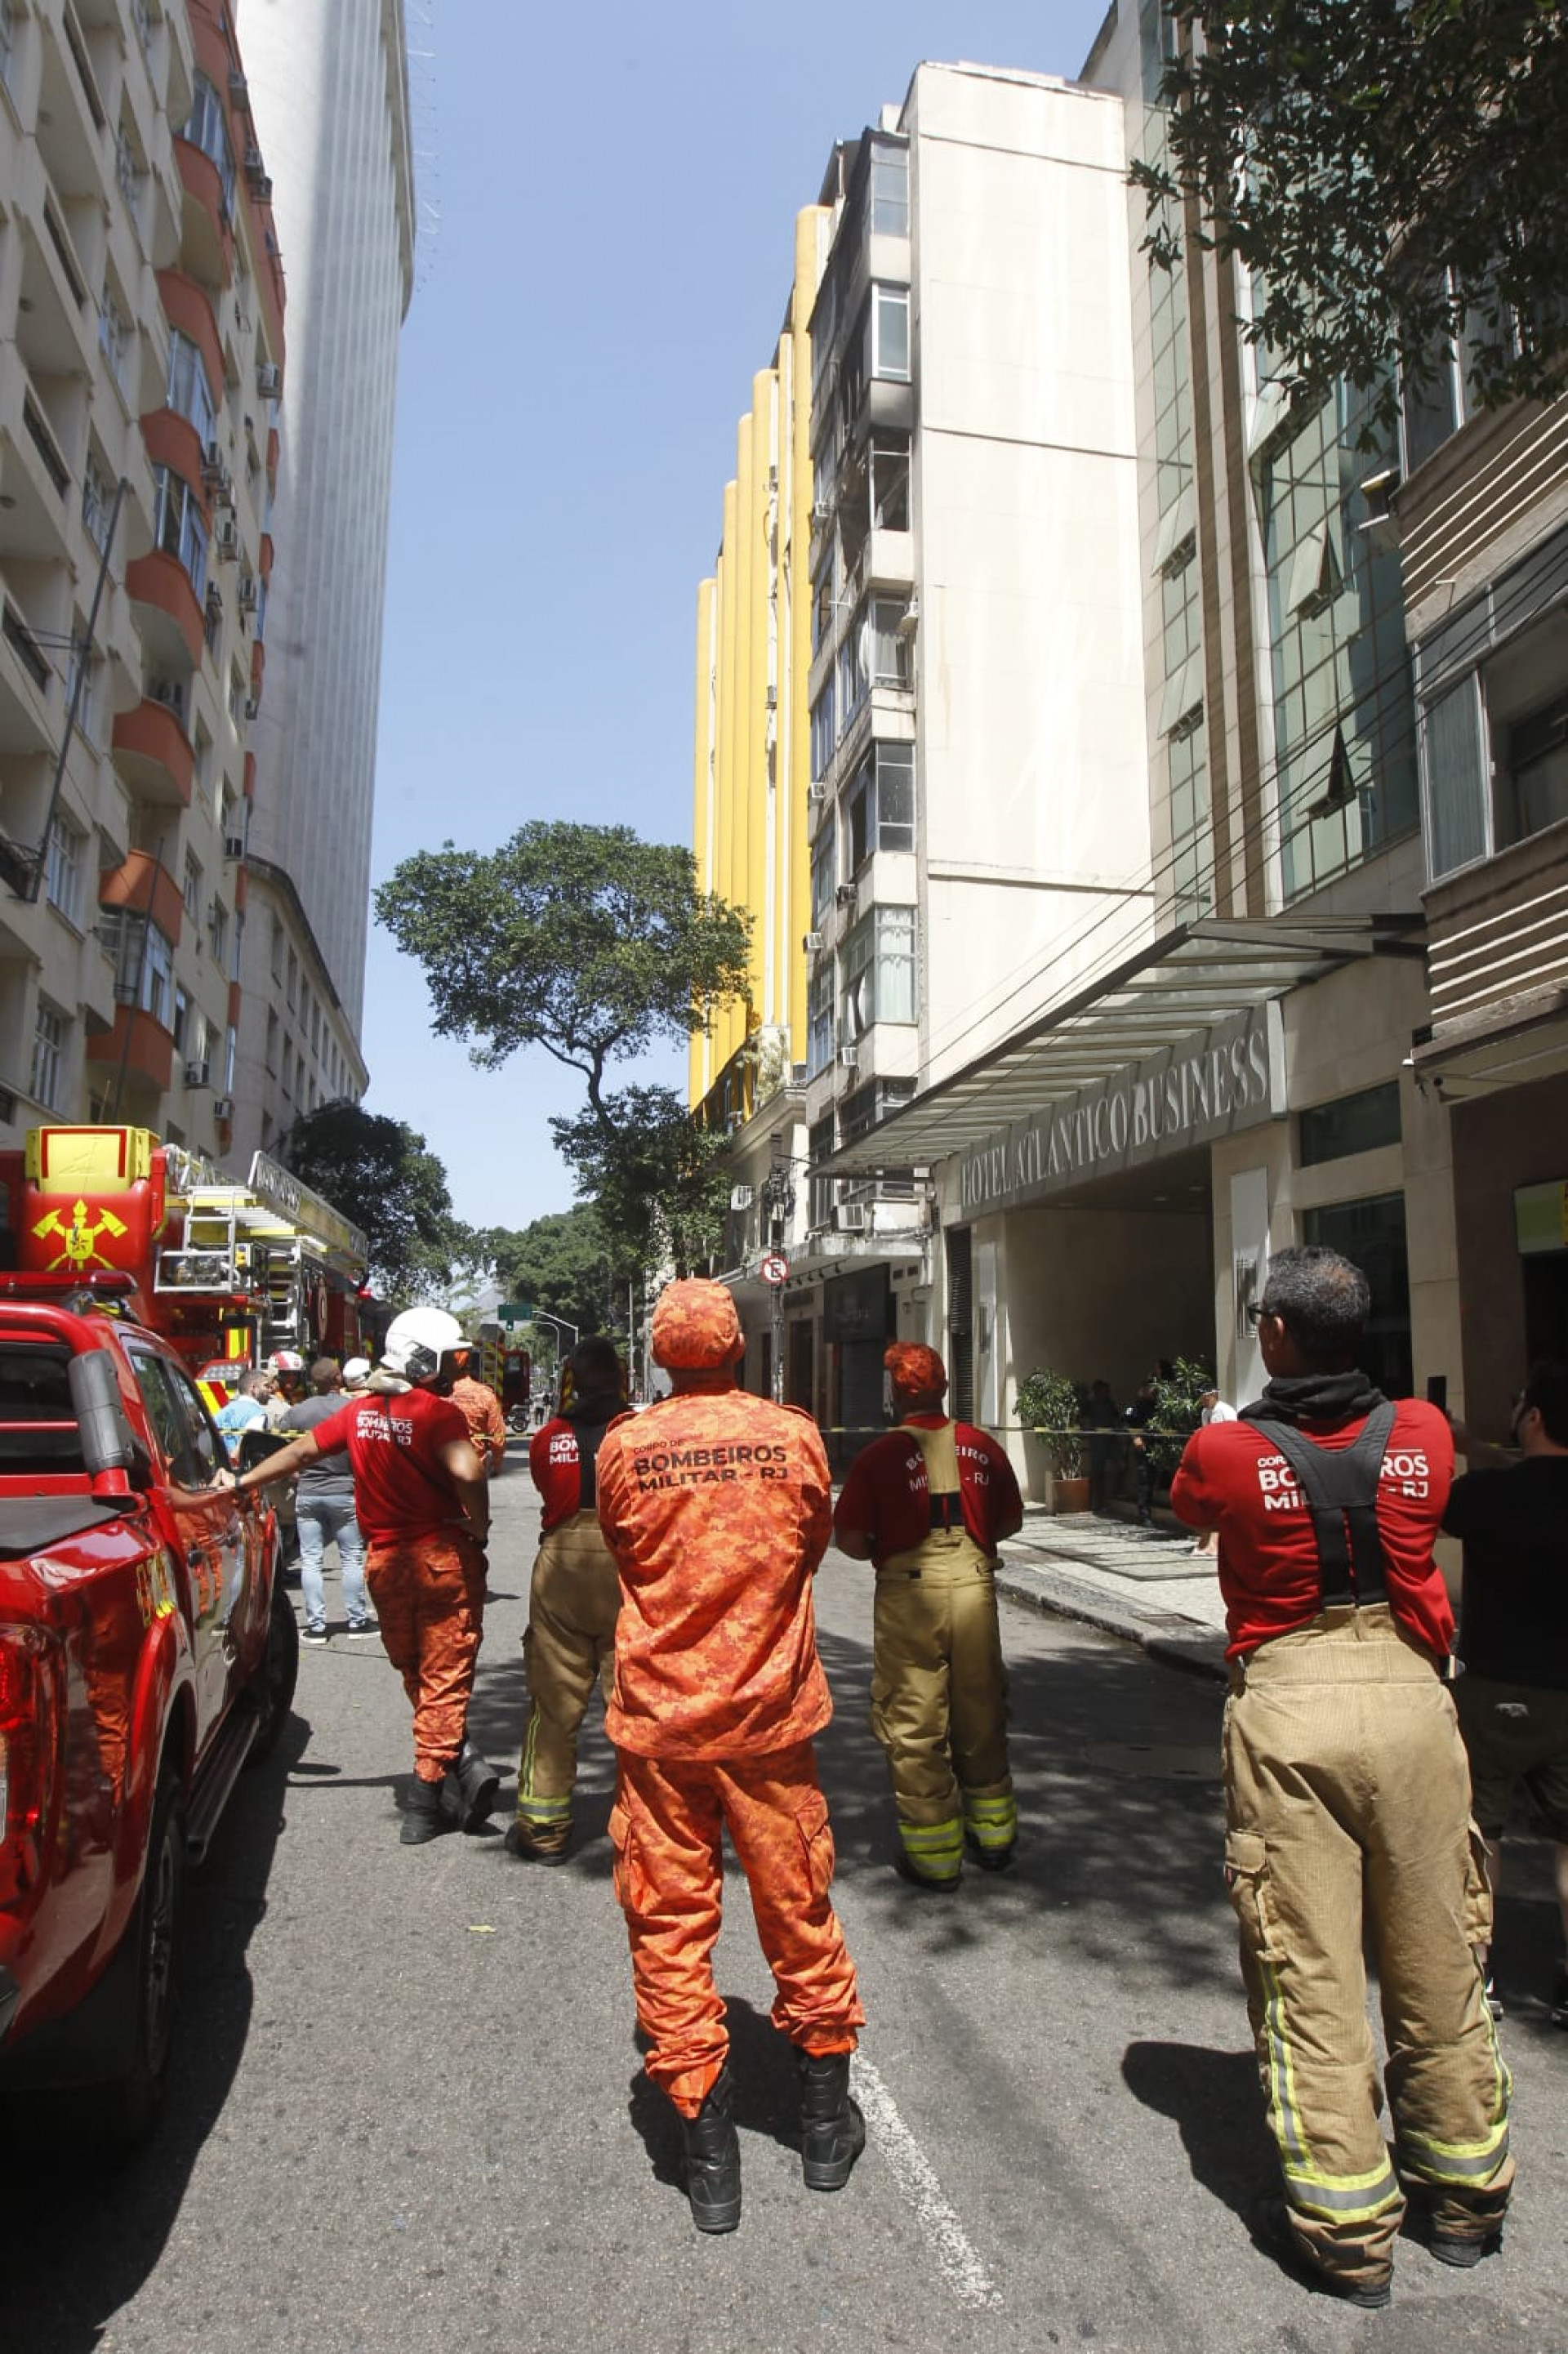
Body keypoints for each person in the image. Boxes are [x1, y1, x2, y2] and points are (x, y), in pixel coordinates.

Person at [1170, 1246, 1512, 2308]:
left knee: (1307, 1969)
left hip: (1290, 1709)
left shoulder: (1225, 1449)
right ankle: (1464, 2195)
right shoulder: (1424, 1431)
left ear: (1274, 1333)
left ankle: (1350, 2228)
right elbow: (1429, 1503)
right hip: (1415, 1703)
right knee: (1440, 1952)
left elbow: (1192, 1513)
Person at [595, 1279, 864, 2234]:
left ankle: (709, 2154)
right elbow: (812, 1546)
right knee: (799, 1908)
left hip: (663, 1728)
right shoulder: (793, 1437)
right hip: (771, 1724)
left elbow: (626, 1555)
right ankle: (825, 2123)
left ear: (664, 1355)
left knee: (668, 1922)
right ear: (738, 1347)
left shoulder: (624, 1446)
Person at [226, 1308, 501, 1848]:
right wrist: (480, 1523)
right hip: (441, 1558)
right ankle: (426, 1799)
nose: (452, 1368)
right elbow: (469, 1470)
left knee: (416, 1670)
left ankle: (461, 1761)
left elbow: (301, 1450)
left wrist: (244, 1482)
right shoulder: (437, 1414)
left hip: (385, 1562)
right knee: (445, 1678)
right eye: (447, 1358)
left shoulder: (361, 1413)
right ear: (423, 1358)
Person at [833, 1343, 1023, 1889]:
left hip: (908, 1594)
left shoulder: (879, 1458)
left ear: (895, 1393)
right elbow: (1008, 1522)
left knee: (914, 1720)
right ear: (943, 1386)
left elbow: (848, 1538)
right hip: (974, 1589)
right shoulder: (981, 1447)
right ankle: (994, 1836)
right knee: (982, 1707)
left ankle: (935, 1855)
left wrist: (882, 1552)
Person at [1444, 1359, 1568, 2031]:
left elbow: (1444, 1511)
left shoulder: (1491, 1495)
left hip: (1494, 1687)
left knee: (1480, 1832)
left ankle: (1480, 1973)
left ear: (1536, 1418)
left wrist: (1466, 1451)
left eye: (1520, 1406)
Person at [506, 1335, 630, 1862]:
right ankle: (647, 1830)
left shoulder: (550, 1435)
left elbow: (545, 1488)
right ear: (621, 1380)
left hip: (560, 1566)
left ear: (572, 1382)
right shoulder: (636, 1434)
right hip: (628, 1567)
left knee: (555, 1703)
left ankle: (543, 1829)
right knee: (635, 1702)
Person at [278, 1357, 372, 1643]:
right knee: (352, 1558)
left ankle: (316, 1625)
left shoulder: (298, 1412)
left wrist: (295, 1475)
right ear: (338, 1379)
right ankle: (357, 1621)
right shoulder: (353, 1409)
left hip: (308, 1491)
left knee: (310, 1560)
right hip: (345, 1491)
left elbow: (281, 1444)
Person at [1188, 1387, 1236, 1558]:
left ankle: (1216, 1543)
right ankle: (1207, 1540)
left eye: (1204, 1396)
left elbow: (1232, 1435)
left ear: (1213, 1395)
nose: (1202, 1400)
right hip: (1209, 1460)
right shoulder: (1205, 1413)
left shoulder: (1226, 1411)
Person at [450, 1343, 507, 1476]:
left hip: (440, 1472)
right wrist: (497, 1464)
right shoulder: (485, 1395)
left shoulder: (436, 1395)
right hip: (474, 1471)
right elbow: (497, 1435)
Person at [1080, 1378, 1121, 1516]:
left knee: (1115, 1467)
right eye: (1103, 1390)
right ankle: (1095, 1503)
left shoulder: (1110, 1404)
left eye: (1107, 1391)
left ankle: (1109, 1499)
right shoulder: (1090, 1405)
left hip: (1111, 1441)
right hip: (1097, 1442)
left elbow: (1117, 1418)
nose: (1106, 1393)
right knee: (1096, 1472)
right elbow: (1084, 1420)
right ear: (1096, 1391)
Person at [213, 1368, 270, 1465]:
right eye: (266, 1386)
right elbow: (245, 1449)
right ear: (253, 1388)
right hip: (242, 1473)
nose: (269, 1390)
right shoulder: (257, 1414)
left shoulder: (221, 1413)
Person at [1124, 1379, 1158, 1525]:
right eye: (1151, 1389)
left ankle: (1148, 1510)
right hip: (1142, 1447)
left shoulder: (1157, 1406)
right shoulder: (1137, 1406)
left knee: (1152, 1480)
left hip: (1156, 1448)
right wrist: (1135, 1438)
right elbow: (1127, 1423)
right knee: (1144, 1480)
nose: (1153, 1391)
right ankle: (1144, 1515)